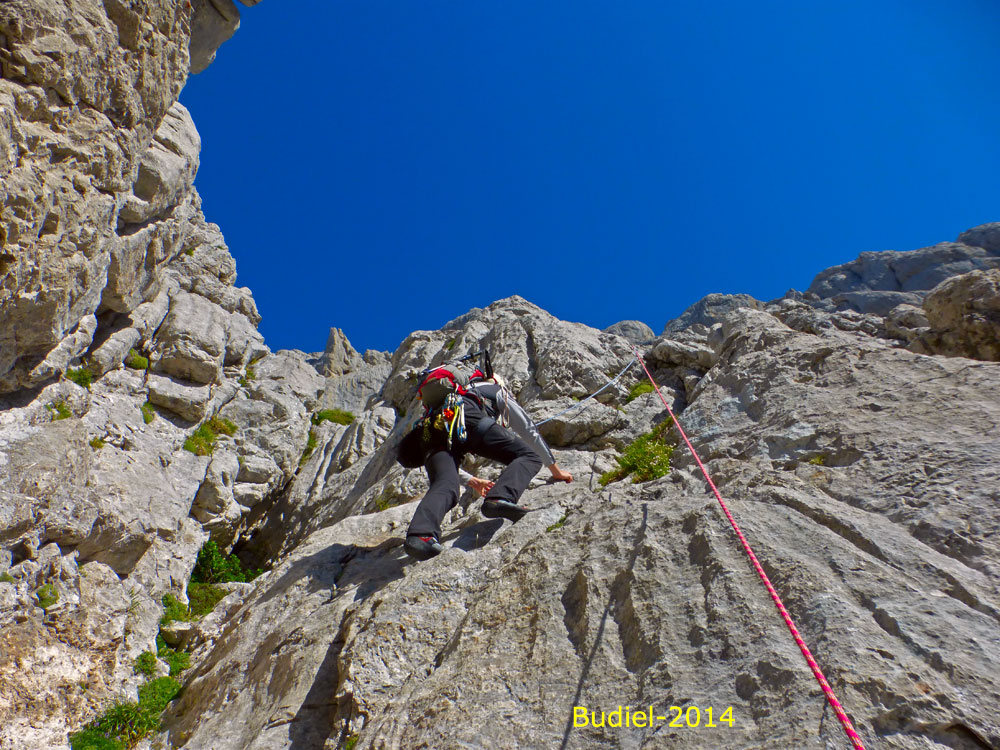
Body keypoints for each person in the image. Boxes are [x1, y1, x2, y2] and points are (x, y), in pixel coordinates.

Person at [404, 376, 573, 560]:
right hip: (469, 419)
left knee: (444, 484)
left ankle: (420, 535)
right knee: (529, 456)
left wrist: (473, 481)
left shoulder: (439, 404)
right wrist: (556, 472)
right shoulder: (494, 389)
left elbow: (449, 471)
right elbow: (527, 429)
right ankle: (500, 498)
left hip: (429, 432)